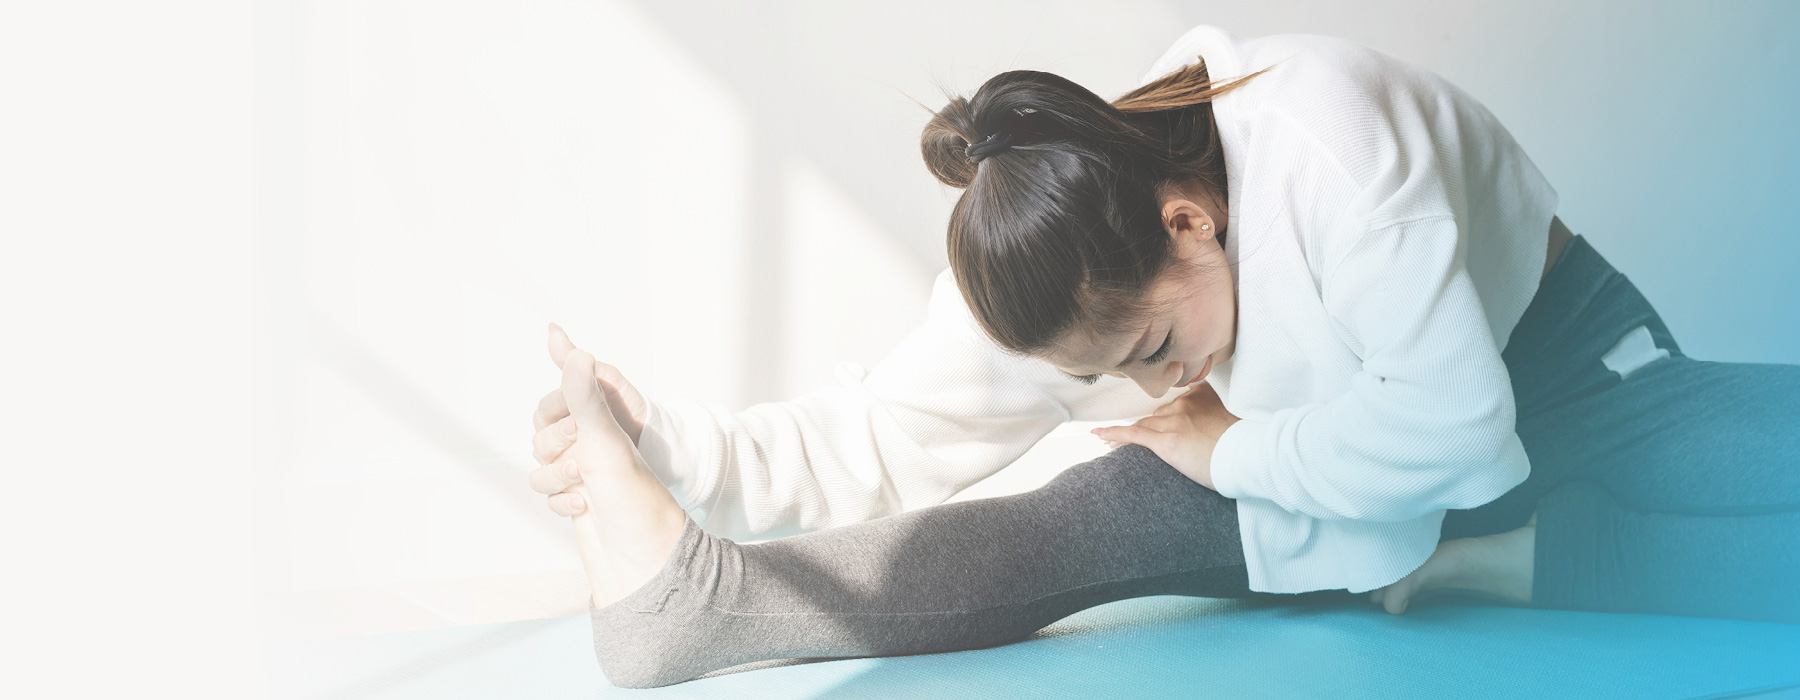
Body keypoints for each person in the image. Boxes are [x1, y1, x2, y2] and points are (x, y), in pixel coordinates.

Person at [525, 26, 1800, 688]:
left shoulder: (1338, 149)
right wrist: (674, 447)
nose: (1153, 389)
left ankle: (1508, 560)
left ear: (1188, 221)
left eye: (1154, 347)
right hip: (1334, 467)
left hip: (1563, 374)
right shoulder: (1069, 254)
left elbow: (1465, 428)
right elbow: (890, 432)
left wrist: (1234, 440)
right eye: (1113, 372)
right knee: (1081, 520)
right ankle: (692, 602)